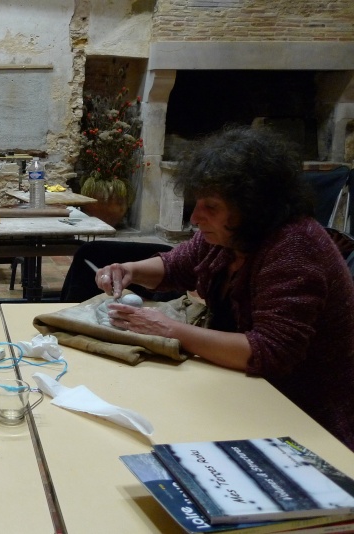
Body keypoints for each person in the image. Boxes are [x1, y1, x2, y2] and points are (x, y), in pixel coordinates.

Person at [93, 126, 354, 451]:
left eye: (211, 207)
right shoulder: (232, 236)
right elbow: (176, 265)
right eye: (197, 203)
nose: (196, 218)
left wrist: (171, 329)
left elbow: (271, 352)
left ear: (252, 207)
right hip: (248, 393)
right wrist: (128, 270)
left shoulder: (295, 248)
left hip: (307, 421)